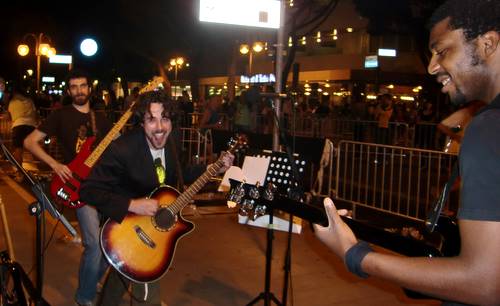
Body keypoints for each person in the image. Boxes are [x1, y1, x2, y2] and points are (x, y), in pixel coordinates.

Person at [314, 0, 500, 305]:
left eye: (441, 51)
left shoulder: (489, 128)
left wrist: (354, 253)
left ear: (488, 43)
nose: (431, 67)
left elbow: (486, 282)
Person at [79, 90, 234, 305]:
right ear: (141, 122)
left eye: (165, 118)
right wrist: (133, 205)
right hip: (125, 229)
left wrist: (213, 168)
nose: (160, 127)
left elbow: (181, 172)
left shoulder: (171, 140)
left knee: (120, 275)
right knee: (148, 296)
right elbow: (89, 190)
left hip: (150, 232)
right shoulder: (122, 149)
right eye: (151, 119)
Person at [24, 69, 113, 306]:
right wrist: (55, 164)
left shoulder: (101, 120)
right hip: (79, 188)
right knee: (93, 244)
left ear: (89, 89)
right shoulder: (60, 116)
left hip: (103, 186)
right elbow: (29, 142)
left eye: (83, 86)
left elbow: (113, 154)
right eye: (74, 87)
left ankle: (92, 278)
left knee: (112, 242)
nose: (79, 91)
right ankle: (84, 298)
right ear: (68, 90)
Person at [6, 83, 38, 182]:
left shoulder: (12, 101)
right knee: (35, 149)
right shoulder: (29, 100)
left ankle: (20, 173)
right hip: (32, 126)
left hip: (18, 125)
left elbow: (9, 116)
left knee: (18, 150)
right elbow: (35, 113)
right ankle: (45, 169)